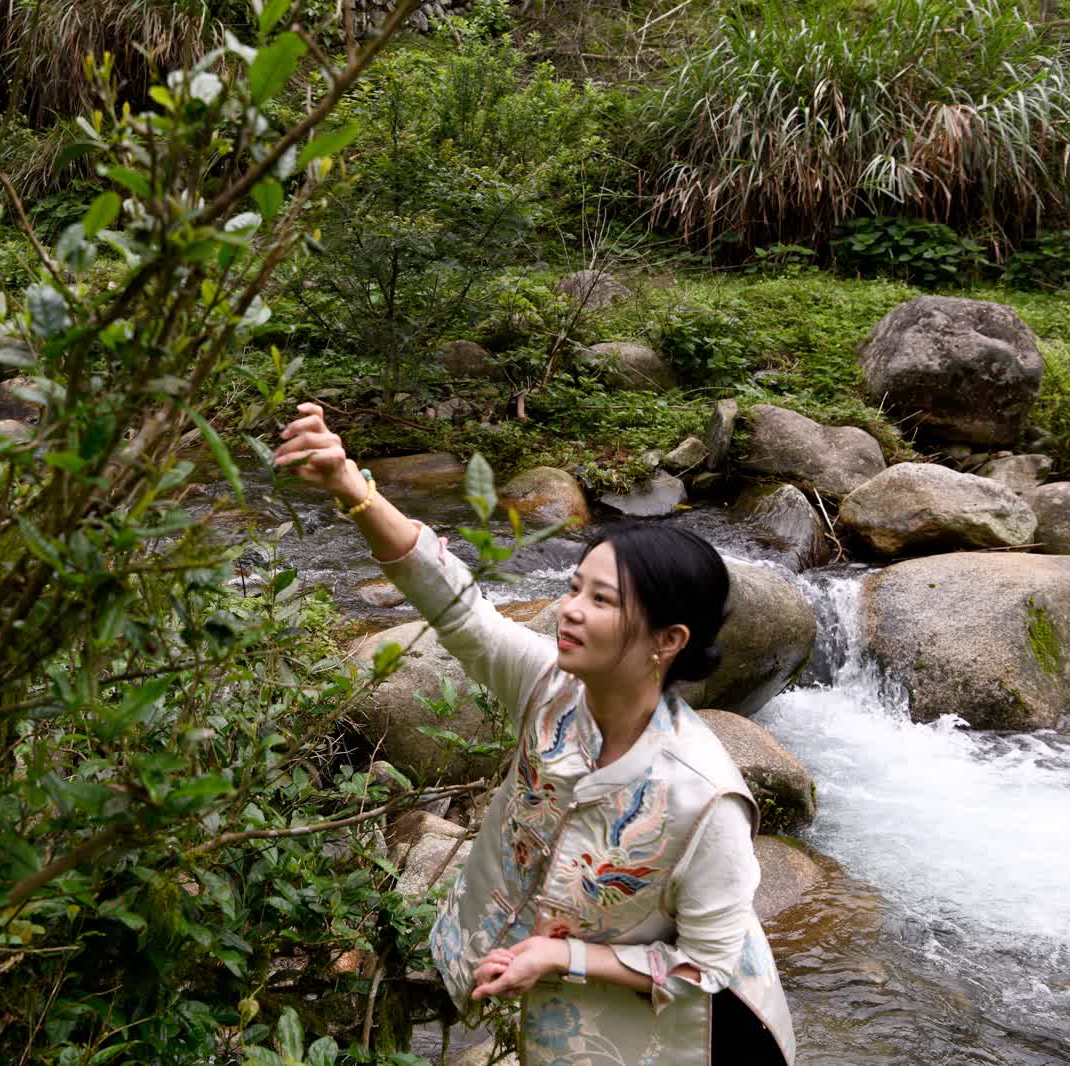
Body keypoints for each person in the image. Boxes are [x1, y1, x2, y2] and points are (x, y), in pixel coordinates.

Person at [273, 403, 796, 1066]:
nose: (571, 610)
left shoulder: (704, 799)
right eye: (576, 588)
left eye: (602, 601)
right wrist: (354, 487)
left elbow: (707, 969)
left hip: (664, 1034)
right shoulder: (552, 688)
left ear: (668, 640)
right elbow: (458, 608)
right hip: (543, 997)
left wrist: (564, 956)